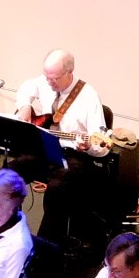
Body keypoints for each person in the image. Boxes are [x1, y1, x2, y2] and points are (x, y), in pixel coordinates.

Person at [11, 49, 110, 250]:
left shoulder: (89, 97)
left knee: (56, 191)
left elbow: (101, 147)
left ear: (69, 72)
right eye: (47, 77)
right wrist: (24, 105)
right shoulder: (46, 81)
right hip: (46, 148)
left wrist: (89, 146)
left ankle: (45, 248)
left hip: (74, 156)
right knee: (9, 175)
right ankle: (8, 230)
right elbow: (26, 87)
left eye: (54, 79)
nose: (49, 82)